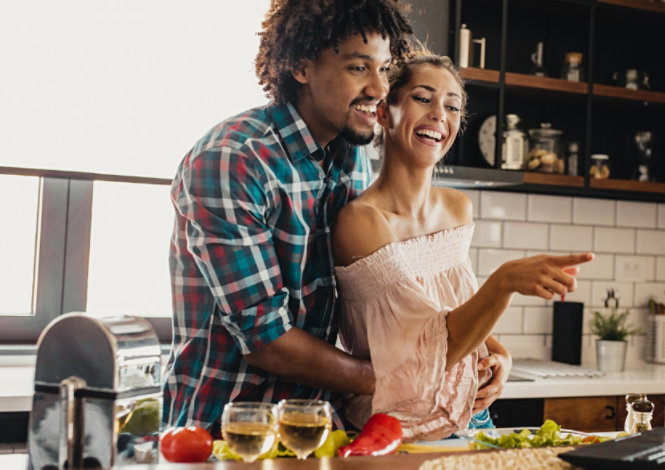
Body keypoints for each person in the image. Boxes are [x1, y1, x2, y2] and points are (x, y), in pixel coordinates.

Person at [162, 0, 415, 434]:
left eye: (385, 69)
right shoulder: (233, 160)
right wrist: (395, 380)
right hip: (224, 433)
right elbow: (267, 342)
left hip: (315, 429)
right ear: (300, 66)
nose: (379, 89)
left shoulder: (351, 158)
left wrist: (482, 346)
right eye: (359, 68)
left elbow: (386, 281)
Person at [332, 52, 595, 441]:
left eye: (452, 106)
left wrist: (499, 353)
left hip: (469, 418)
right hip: (394, 431)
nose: (440, 114)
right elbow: (422, 358)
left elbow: (454, 311)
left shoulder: (458, 209)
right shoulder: (361, 222)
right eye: (423, 98)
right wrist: (504, 282)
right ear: (385, 113)